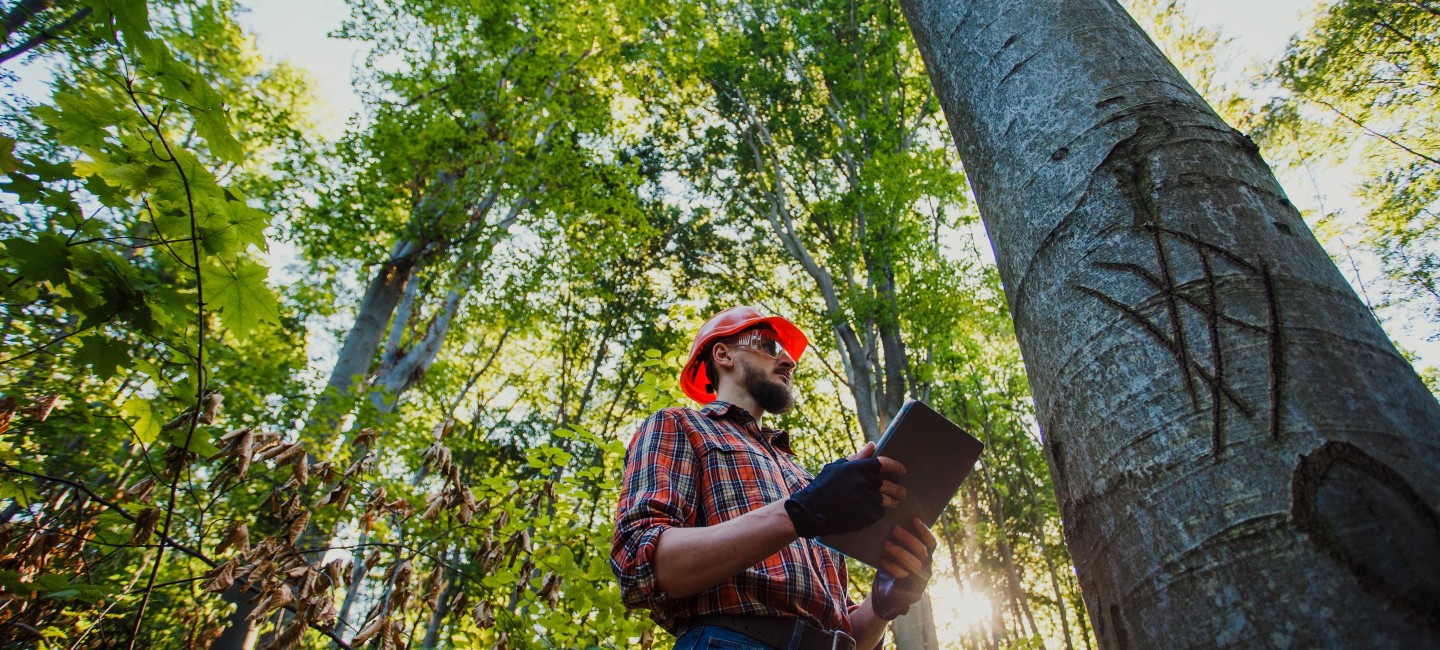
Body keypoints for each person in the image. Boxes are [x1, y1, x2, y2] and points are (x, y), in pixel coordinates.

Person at [611, 306, 937, 650]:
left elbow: (847, 631)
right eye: (768, 347)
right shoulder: (679, 425)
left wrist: (882, 604)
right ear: (723, 354)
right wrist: (802, 511)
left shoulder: (804, 479)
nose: (787, 362)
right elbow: (639, 563)